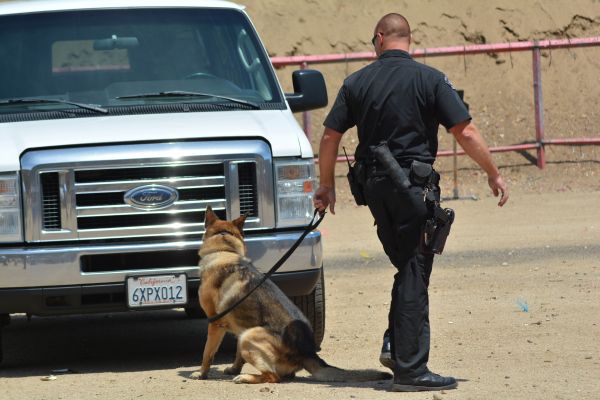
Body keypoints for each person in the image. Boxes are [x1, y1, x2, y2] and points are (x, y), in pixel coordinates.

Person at [313, 13, 509, 392]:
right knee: (416, 268)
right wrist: (493, 172)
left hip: (375, 192)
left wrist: (326, 186)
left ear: (380, 38)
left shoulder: (356, 82)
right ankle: (411, 370)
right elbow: (465, 131)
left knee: (407, 264)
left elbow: (329, 137)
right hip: (413, 189)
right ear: (409, 40)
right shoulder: (430, 79)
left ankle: (395, 345)